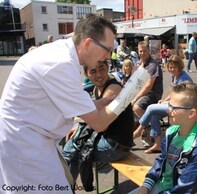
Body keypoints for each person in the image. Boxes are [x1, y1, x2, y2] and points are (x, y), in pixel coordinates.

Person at [0, 14, 123, 193]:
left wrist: (99, 103)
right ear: (88, 43)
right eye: (107, 49)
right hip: (24, 143)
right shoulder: (61, 64)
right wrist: (124, 97)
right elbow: (99, 123)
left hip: (33, 137)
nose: (107, 56)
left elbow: (73, 103)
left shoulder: (63, 55)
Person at [129, 82, 197, 194]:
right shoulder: (171, 132)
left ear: (191, 114)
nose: (168, 110)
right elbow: (162, 160)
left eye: (173, 107)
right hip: (163, 185)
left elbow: (185, 189)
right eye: (169, 105)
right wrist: (146, 186)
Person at [62, 61, 134, 191]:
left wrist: (76, 115)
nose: (99, 75)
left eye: (102, 69)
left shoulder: (113, 88)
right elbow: (96, 119)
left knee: (73, 151)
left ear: (107, 68)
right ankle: (65, 188)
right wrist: (79, 126)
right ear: (86, 74)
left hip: (117, 146)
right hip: (108, 139)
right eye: (93, 71)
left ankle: (64, 189)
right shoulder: (97, 89)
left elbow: (101, 124)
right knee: (71, 146)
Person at [133, 55, 193, 154]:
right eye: (170, 67)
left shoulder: (184, 79)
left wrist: (167, 102)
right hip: (174, 105)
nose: (172, 69)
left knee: (151, 108)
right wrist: (164, 100)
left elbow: (182, 99)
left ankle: (139, 130)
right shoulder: (174, 76)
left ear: (180, 66)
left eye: (174, 67)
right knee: (154, 115)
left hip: (182, 107)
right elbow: (173, 92)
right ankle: (158, 145)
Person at [131, 41, 163, 118]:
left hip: (153, 93)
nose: (142, 53)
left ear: (149, 51)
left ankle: (150, 124)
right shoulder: (139, 63)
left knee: (137, 107)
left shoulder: (153, 65)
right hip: (142, 92)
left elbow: (148, 86)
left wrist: (135, 98)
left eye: (144, 51)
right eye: (140, 51)